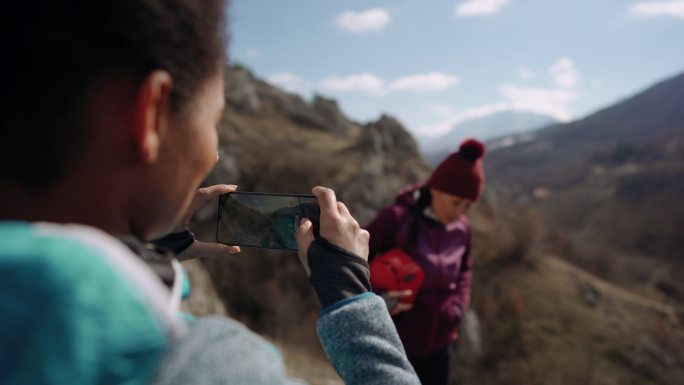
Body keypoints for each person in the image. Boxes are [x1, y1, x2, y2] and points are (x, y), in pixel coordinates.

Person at [0, 1, 420, 384]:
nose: (214, 152)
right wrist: (354, 301)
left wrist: (140, 252)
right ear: (148, 116)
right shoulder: (207, 368)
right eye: (214, 120)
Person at [365, 139, 486, 385]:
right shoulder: (396, 218)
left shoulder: (462, 229)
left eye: (468, 205)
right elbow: (352, 259)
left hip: (439, 347)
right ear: (437, 188)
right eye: (456, 202)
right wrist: (377, 299)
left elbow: (465, 270)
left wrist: (458, 308)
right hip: (393, 343)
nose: (460, 212)